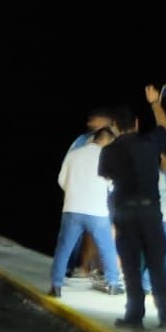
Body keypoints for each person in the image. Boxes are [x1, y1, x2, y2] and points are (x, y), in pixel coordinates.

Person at [98, 91, 166, 330]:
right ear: (137, 124)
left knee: (131, 267)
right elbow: (164, 124)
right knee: (156, 264)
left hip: (125, 213)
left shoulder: (108, 151)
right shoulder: (150, 142)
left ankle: (135, 316)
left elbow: (106, 176)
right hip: (150, 212)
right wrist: (154, 102)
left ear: (113, 127)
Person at [47, 126, 118, 298]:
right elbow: (112, 185)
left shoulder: (73, 154)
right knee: (107, 248)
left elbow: (61, 180)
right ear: (107, 141)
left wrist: (74, 192)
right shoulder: (107, 157)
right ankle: (113, 284)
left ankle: (56, 286)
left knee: (63, 248)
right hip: (97, 211)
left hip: (72, 208)